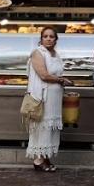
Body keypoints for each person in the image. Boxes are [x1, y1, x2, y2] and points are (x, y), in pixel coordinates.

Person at [26, 26, 72, 171]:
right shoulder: (37, 53)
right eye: (45, 36)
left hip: (54, 98)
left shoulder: (56, 54)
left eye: (51, 36)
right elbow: (44, 75)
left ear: (56, 39)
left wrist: (61, 80)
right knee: (42, 127)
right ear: (41, 39)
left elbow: (54, 73)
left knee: (50, 128)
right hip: (42, 97)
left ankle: (46, 157)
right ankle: (38, 160)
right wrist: (61, 80)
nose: (48, 39)